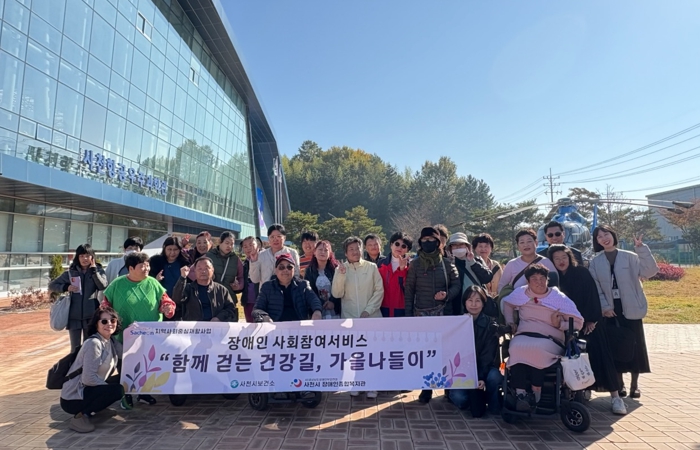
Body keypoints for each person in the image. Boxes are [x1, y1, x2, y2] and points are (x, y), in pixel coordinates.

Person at [549, 244, 627, 415]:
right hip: (566, 326)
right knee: (575, 360)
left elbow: (592, 296)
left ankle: (616, 397)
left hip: (590, 325)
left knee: (601, 357)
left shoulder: (581, 273)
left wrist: (591, 320)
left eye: (564, 257)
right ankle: (584, 390)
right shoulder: (553, 278)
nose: (561, 261)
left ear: (570, 258)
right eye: (556, 258)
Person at [588, 225, 658, 399]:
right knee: (615, 347)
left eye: (606, 234)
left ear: (613, 235)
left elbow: (650, 271)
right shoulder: (595, 262)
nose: (604, 238)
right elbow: (596, 288)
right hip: (611, 310)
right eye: (599, 237)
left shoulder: (630, 256)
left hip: (631, 307)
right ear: (596, 241)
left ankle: (635, 385)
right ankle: (620, 384)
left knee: (635, 345)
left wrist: (642, 249)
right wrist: (605, 307)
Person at [502, 264, 583, 411]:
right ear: (528, 281)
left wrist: (559, 324)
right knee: (515, 346)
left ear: (547, 280)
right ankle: (521, 395)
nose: (539, 282)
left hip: (550, 338)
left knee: (537, 348)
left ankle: (536, 393)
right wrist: (510, 321)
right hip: (524, 334)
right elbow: (507, 303)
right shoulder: (521, 293)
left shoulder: (558, 298)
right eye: (534, 279)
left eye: (542, 278)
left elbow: (578, 323)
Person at [102, 252, 175, 407]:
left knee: (146, 364)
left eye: (147, 265)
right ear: (131, 268)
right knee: (125, 366)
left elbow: (166, 301)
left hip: (149, 336)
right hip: (123, 335)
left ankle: (144, 393)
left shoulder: (153, 283)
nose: (146, 268)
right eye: (142, 266)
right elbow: (105, 305)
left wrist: (167, 307)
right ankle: (126, 395)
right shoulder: (117, 284)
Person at [404, 226, 460, 404]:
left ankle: (448, 388)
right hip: (422, 314)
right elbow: (409, 290)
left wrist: (447, 294)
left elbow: (457, 285)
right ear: (420, 243)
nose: (428, 243)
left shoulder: (447, 263)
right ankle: (426, 388)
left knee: (445, 352)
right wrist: (408, 316)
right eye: (424, 240)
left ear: (438, 243)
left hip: (444, 313)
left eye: (431, 240)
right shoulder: (415, 265)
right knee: (426, 354)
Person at [332, 236, 384, 400]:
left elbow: (379, 291)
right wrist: (341, 275)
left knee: (372, 353)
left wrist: (368, 311)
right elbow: (337, 294)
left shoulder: (371, 267)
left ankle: (373, 384)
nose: (355, 252)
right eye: (351, 249)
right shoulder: (341, 269)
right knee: (355, 355)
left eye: (357, 248)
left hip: (371, 318)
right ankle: (357, 383)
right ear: (346, 253)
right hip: (350, 320)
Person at [60, 307, 125, 433]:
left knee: (123, 380)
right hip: (73, 397)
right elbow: (88, 379)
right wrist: (107, 391)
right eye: (104, 321)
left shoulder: (110, 341)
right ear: (96, 324)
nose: (109, 324)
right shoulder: (94, 344)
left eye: (113, 320)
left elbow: (127, 354)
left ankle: (97, 408)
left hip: (89, 389)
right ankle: (81, 416)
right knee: (117, 390)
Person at [448, 286, 502, 417]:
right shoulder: (456, 324)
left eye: (478, 301)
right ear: (464, 302)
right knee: (459, 398)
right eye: (470, 300)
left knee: (494, 377)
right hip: (462, 370)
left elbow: (487, 356)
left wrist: (480, 377)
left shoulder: (491, 325)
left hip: (485, 368)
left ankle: (493, 403)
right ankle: (475, 399)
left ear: (483, 303)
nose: (473, 304)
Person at [49, 244, 108, 351]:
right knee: (75, 349)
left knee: (89, 346)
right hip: (74, 316)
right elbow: (52, 285)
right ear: (77, 257)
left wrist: (94, 271)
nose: (84, 259)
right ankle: (75, 363)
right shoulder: (71, 272)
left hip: (91, 316)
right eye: (81, 256)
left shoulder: (98, 270)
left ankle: (87, 363)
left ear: (92, 257)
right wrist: (66, 287)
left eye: (87, 256)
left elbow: (103, 286)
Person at [252, 254, 323, 322]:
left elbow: (315, 301)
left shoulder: (303, 285)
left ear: (294, 270)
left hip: (299, 326)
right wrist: (265, 317)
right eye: (281, 267)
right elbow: (257, 309)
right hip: (274, 326)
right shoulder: (267, 287)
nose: (285, 270)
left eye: (289, 267)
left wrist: (317, 312)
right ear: (276, 270)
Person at [445, 232, 493, 315]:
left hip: (477, 305)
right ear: (450, 248)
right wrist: (450, 264)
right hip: (457, 306)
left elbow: (487, 277)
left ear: (467, 247)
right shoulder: (446, 263)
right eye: (455, 245)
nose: (458, 247)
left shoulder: (477, 260)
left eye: (461, 245)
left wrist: (472, 262)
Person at [497, 229, 557, 294]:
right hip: (518, 300)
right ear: (518, 246)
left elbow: (555, 286)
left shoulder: (546, 262)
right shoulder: (512, 264)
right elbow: (501, 286)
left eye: (529, 241)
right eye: (522, 242)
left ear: (536, 243)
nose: (526, 245)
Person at [149, 237, 190, 320]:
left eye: (175, 250)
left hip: (180, 305)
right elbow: (147, 281)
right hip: (160, 303)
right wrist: (155, 280)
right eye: (169, 249)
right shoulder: (155, 262)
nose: (172, 253)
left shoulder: (185, 262)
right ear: (164, 249)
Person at [378, 232, 413, 317]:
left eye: (403, 246)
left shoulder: (411, 265)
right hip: (383, 307)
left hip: (402, 309)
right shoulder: (381, 264)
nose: (399, 248)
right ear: (391, 245)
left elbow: (409, 287)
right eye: (397, 244)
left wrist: (402, 269)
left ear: (407, 250)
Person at [304, 240, 341, 319]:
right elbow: (309, 290)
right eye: (320, 250)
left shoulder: (336, 269)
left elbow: (340, 287)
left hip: (335, 308)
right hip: (317, 308)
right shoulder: (309, 271)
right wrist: (321, 303)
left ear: (330, 253)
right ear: (314, 252)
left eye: (326, 250)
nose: (323, 252)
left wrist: (332, 302)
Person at [206, 231, 244, 301]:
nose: (229, 246)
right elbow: (193, 271)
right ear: (220, 242)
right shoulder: (209, 255)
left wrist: (239, 286)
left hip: (229, 297)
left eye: (232, 244)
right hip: (210, 296)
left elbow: (241, 277)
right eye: (227, 243)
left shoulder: (236, 259)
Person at [472, 233, 502, 298]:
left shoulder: (496, 265)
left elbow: (502, 284)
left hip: (496, 300)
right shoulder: (472, 265)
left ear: (491, 248)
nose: (483, 249)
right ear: (475, 248)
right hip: (479, 300)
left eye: (486, 246)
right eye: (480, 246)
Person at [241, 236, 261, 323]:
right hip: (248, 301)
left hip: (261, 301)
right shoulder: (245, 263)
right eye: (245, 246)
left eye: (251, 245)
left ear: (258, 245)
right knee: (249, 325)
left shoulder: (264, 259)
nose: (248, 248)